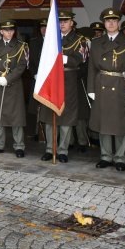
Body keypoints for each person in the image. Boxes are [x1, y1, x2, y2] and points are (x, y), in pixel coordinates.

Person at [87, 8, 125, 172]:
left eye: (114, 21)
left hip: (120, 87)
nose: (111, 23)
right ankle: (105, 156)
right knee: (103, 123)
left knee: (119, 124)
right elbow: (91, 68)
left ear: (118, 23)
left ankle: (120, 157)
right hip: (101, 84)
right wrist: (91, 88)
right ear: (104, 23)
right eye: (107, 21)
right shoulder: (96, 43)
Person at [39, 11, 87, 163]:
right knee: (49, 117)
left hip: (68, 80)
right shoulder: (51, 38)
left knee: (65, 118)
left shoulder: (80, 40)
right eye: (60, 21)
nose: (62, 24)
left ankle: (62, 150)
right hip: (52, 80)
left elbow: (81, 58)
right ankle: (49, 149)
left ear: (72, 23)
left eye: (66, 21)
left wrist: (66, 59)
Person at [0, 20, 29, 157]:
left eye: (11, 30)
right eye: (6, 30)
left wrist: (8, 78)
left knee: (16, 117)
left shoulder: (21, 46)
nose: (9, 32)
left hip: (14, 86)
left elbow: (22, 65)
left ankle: (19, 146)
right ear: (1, 31)